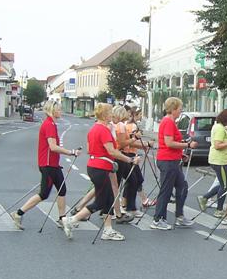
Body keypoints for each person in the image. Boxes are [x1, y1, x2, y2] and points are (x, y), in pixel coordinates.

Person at [62, 103, 135, 241]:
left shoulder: (93, 129)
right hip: (100, 168)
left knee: (108, 199)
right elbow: (112, 151)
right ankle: (72, 220)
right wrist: (129, 160)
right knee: (101, 201)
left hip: (95, 166)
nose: (112, 115)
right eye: (110, 112)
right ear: (105, 115)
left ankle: (107, 230)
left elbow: (90, 149)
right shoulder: (103, 130)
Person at [11, 100, 80, 229]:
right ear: (52, 111)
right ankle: (18, 213)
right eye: (58, 109)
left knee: (62, 190)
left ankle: (61, 218)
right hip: (48, 165)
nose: (60, 111)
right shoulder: (49, 125)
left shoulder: (51, 124)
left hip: (52, 164)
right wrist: (71, 152)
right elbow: (53, 147)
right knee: (43, 194)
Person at [150, 97, 197, 230]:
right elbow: (169, 143)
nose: (181, 111)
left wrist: (181, 154)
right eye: (180, 109)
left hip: (173, 159)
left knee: (182, 186)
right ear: (174, 109)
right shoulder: (168, 122)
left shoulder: (170, 122)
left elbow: (169, 144)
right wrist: (187, 144)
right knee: (166, 190)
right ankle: (158, 219)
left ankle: (179, 216)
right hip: (168, 161)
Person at [199, 109, 227, 218]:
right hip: (220, 160)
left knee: (222, 183)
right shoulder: (220, 128)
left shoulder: (222, 127)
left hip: (221, 160)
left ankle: (205, 198)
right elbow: (217, 145)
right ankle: (218, 209)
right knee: (225, 185)